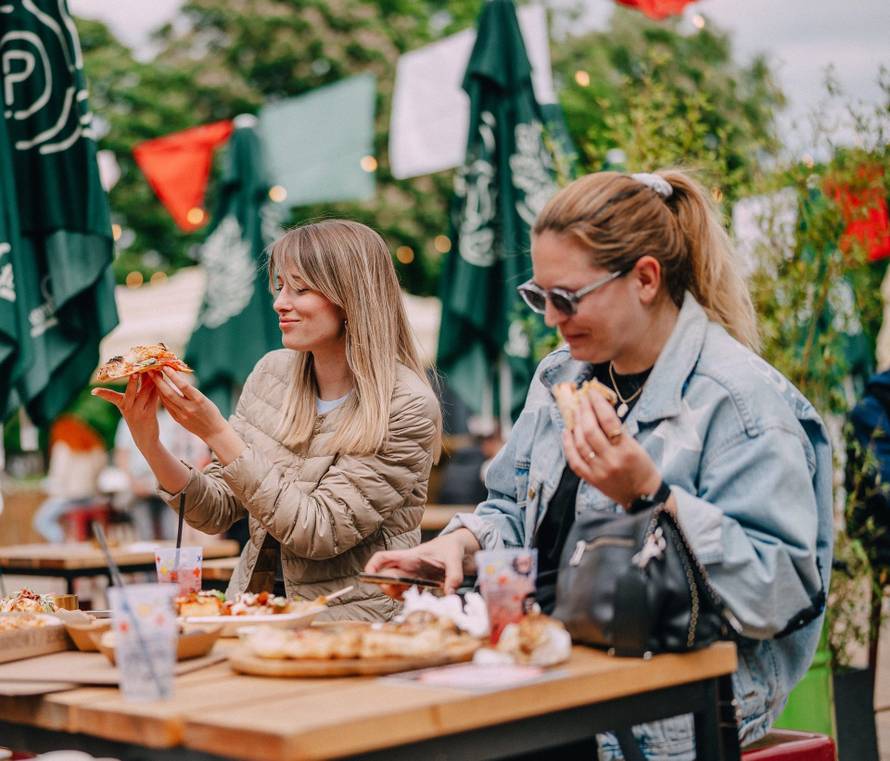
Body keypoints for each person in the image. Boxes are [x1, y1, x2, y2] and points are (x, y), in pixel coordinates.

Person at [366, 170, 833, 757]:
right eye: (539, 296)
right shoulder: (558, 375)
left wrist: (650, 495)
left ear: (645, 279)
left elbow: (780, 592)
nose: (550, 317)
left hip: (664, 715)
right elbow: (512, 508)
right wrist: (460, 546)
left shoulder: (740, 403)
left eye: (567, 298)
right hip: (542, 681)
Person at [94, 219, 441, 621]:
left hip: (351, 626)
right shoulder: (272, 374)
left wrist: (217, 432)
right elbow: (215, 511)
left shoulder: (405, 405)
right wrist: (150, 444)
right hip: (256, 611)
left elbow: (319, 531)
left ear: (351, 297)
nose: (280, 302)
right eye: (280, 286)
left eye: (301, 289)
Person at [112, 405, 211, 540]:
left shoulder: (170, 420)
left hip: (164, 482)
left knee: (170, 533)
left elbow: (177, 452)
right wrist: (133, 482)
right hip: (139, 483)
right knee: (145, 533)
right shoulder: (127, 420)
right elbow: (122, 455)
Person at [32, 415, 108, 543]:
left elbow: (58, 477)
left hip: (70, 498)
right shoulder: (94, 448)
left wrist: (50, 492)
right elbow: (99, 472)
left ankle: (61, 541)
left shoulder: (63, 446)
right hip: (90, 497)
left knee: (41, 521)